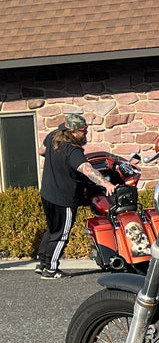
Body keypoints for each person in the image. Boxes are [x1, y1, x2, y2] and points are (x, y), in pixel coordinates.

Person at [36, 113, 116, 279]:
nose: (85, 134)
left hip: (47, 193)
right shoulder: (73, 150)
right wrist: (106, 183)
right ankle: (50, 270)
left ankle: (42, 263)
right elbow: (87, 169)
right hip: (63, 199)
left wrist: (56, 161)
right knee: (61, 234)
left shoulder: (52, 137)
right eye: (82, 131)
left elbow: (41, 151)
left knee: (52, 229)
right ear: (72, 132)